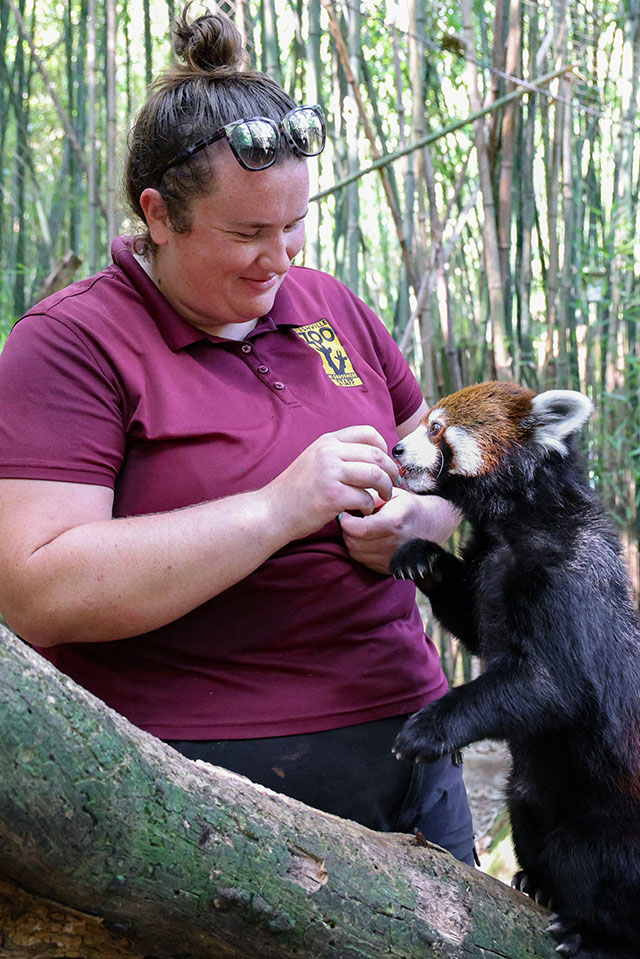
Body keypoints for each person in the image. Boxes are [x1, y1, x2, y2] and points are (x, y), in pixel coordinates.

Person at [0, 4, 474, 864]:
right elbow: (34, 588)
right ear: (159, 214)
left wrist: (411, 526)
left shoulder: (331, 305)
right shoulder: (70, 342)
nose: (282, 256)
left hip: (408, 747)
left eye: (295, 222)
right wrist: (274, 509)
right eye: (248, 232)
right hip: (191, 792)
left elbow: (440, 481)